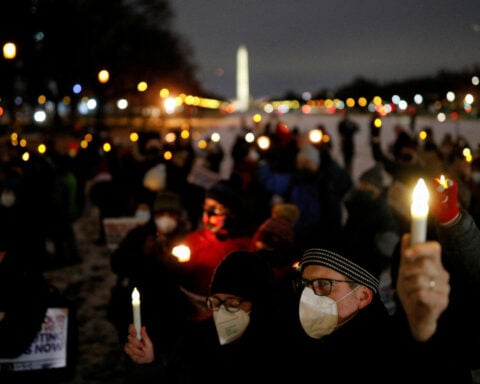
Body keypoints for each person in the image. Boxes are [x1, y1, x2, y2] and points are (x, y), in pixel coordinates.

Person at [124, 250, 284, 383]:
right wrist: (150, 362)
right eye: (216, 302)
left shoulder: (282, 347)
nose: (222, 312)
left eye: (232, 303)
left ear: (259, 302)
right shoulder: (195, 341)